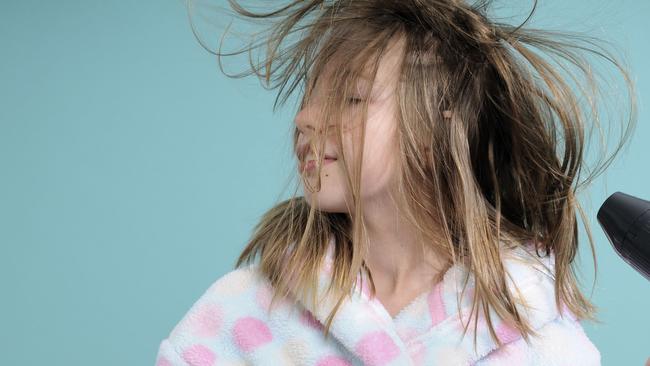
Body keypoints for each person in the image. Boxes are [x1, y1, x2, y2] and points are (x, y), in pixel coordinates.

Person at [156, 0, 636, 365]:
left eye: (351, 98)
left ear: (435, 131)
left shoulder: (538, 342)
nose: (304, 119)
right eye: (309, 97)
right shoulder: (241, 314)